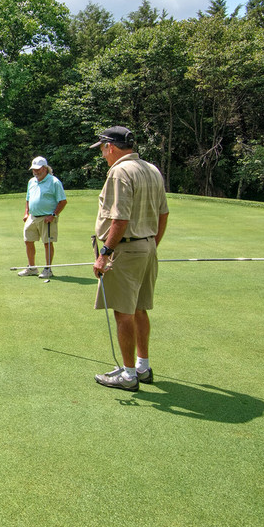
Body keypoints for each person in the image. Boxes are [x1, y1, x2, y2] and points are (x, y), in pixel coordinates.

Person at [90, 126, 169, 392]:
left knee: (124, 312)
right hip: (147, 246)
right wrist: (151, 244)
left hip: (125, 249)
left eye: (102, 149)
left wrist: (105, 254)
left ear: (110, 146)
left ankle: (127, 374)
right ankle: (142, 367)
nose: (102, 155)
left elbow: (119, 219)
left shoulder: (120, 171)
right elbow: (163, 214)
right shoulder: (151, 168)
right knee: (139, 309)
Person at [18, 156, 67, 279]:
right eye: (34, 169)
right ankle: (32, 267)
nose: (35, 172)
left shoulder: (54, 182)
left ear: (45, 168)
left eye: (38, 169)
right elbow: (28, 199)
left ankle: (48, 269)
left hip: (47, 218)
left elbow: (62, 201)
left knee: (47, 243)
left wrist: (53, 215)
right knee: (28, 240)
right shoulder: (31, 181)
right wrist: (26, 212)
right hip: (32, 217)